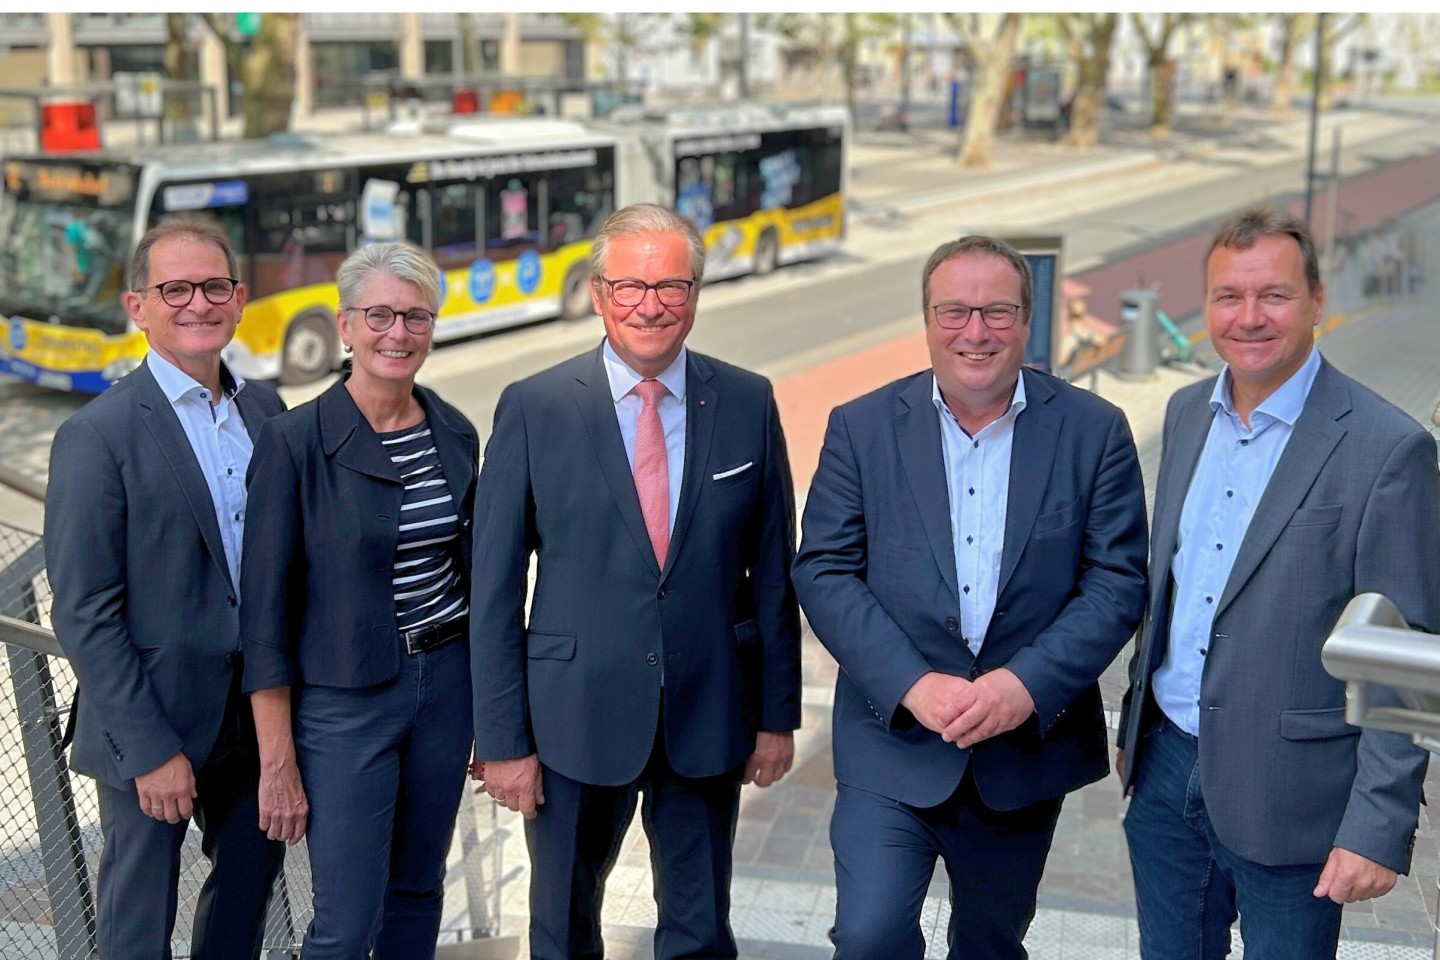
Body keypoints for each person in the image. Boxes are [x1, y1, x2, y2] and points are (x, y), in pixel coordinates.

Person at [792, 235, 1148, 959]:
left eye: (996, 312)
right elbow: (824, 568)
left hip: (1020, 754)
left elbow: (1117, 580)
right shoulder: (860, 428)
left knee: (988, 943)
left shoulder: (1093, 431)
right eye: (954, 312)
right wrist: (911, 683)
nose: (975, 332)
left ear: (1026, 320)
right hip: (893, 739)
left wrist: (1028, 685)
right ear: (926, 319)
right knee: (868, 936)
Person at [470, 203, 801, 960]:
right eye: (629, 287)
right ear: (596, 293)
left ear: (696, 293)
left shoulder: (748, 401)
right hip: (570, 720)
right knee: (562, 928)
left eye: (671, 286)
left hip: (708, 714)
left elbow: (774, 573)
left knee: (699, 927)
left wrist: (776, 715)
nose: (650, 305)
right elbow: (492, 591)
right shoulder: (535, 407)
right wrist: (503, 741)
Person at [1117, 206, 1440, 959]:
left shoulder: (1389, 449)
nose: (1249, 317)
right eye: (1229, 295)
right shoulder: (1185, 412)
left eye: (1275, 295)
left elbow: (1406, 654)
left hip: (1295, 795)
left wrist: (1377, 826)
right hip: (1165, 770)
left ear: (1318, 301)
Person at [45, 219, 286, 960]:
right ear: (137, 305)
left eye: (214, 286)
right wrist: (150, 750)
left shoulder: (267, 410)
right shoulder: (99, 434)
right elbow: (85, 611)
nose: (197, 303)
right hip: (152, 719)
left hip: (260, 720)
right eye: (173, 288)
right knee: (137, 927)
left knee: (244, 902)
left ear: (239, 299)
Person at [240, 242, 478, 958]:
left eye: (415, 317)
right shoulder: (293, 443)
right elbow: (264, 620)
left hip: (447, 688)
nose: (397, 334)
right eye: (379, 315)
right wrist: (277, 761)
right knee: (344, 922)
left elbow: (475, 577)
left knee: (418, 893)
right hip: (344, 703)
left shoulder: (454, 432)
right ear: (344, 325)